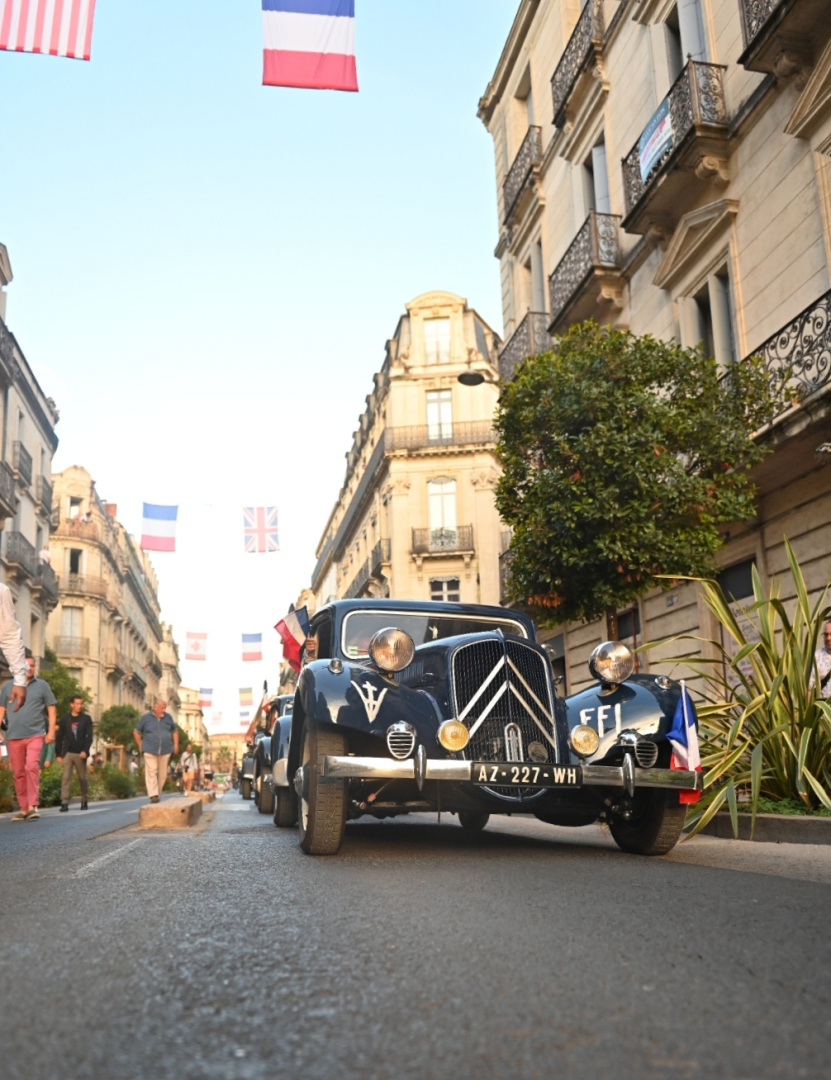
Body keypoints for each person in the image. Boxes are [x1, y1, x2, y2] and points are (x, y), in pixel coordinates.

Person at [0, 648, 55, 821]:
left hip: (35, 734)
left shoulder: (42, 686)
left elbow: (52, 709)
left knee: (31, 766)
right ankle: (23, 808)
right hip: (13, 735)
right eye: (26, 665)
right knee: (17, 772)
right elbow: (1, 709)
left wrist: (51, 730)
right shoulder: (8, 686)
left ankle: (33, 806)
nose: (29, 668)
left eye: (32, 665)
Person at [133, 698, 178, 803]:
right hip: (149, 749)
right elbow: (136, 732)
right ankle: (153, 795)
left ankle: (157, 793)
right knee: (152, 771)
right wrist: (140, 745)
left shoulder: (168, 718)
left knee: (162, 775)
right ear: (155, 707)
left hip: (166, 750)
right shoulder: (145, 718)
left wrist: (175, 745)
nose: (164, 710)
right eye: (162, 708)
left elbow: (175, 731)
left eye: (165, 708)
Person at [55, 694, 93, 811]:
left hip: (80, 753)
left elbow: (89, 737)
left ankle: (84, 799)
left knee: (82, 778)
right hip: (68, 752)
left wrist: (85, 751)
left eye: (81, 704)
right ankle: (64, 802)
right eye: (77, 704)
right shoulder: (65, 719)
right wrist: (59, 754)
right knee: (66, 777)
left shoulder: (86, 719)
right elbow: (60, 736)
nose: (79, 706)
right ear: (72, 705)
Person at [812, 620, 831, 700]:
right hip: (824, 710)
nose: (828, 638)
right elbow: (809, 688)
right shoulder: (817, 656)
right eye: (826, 635)